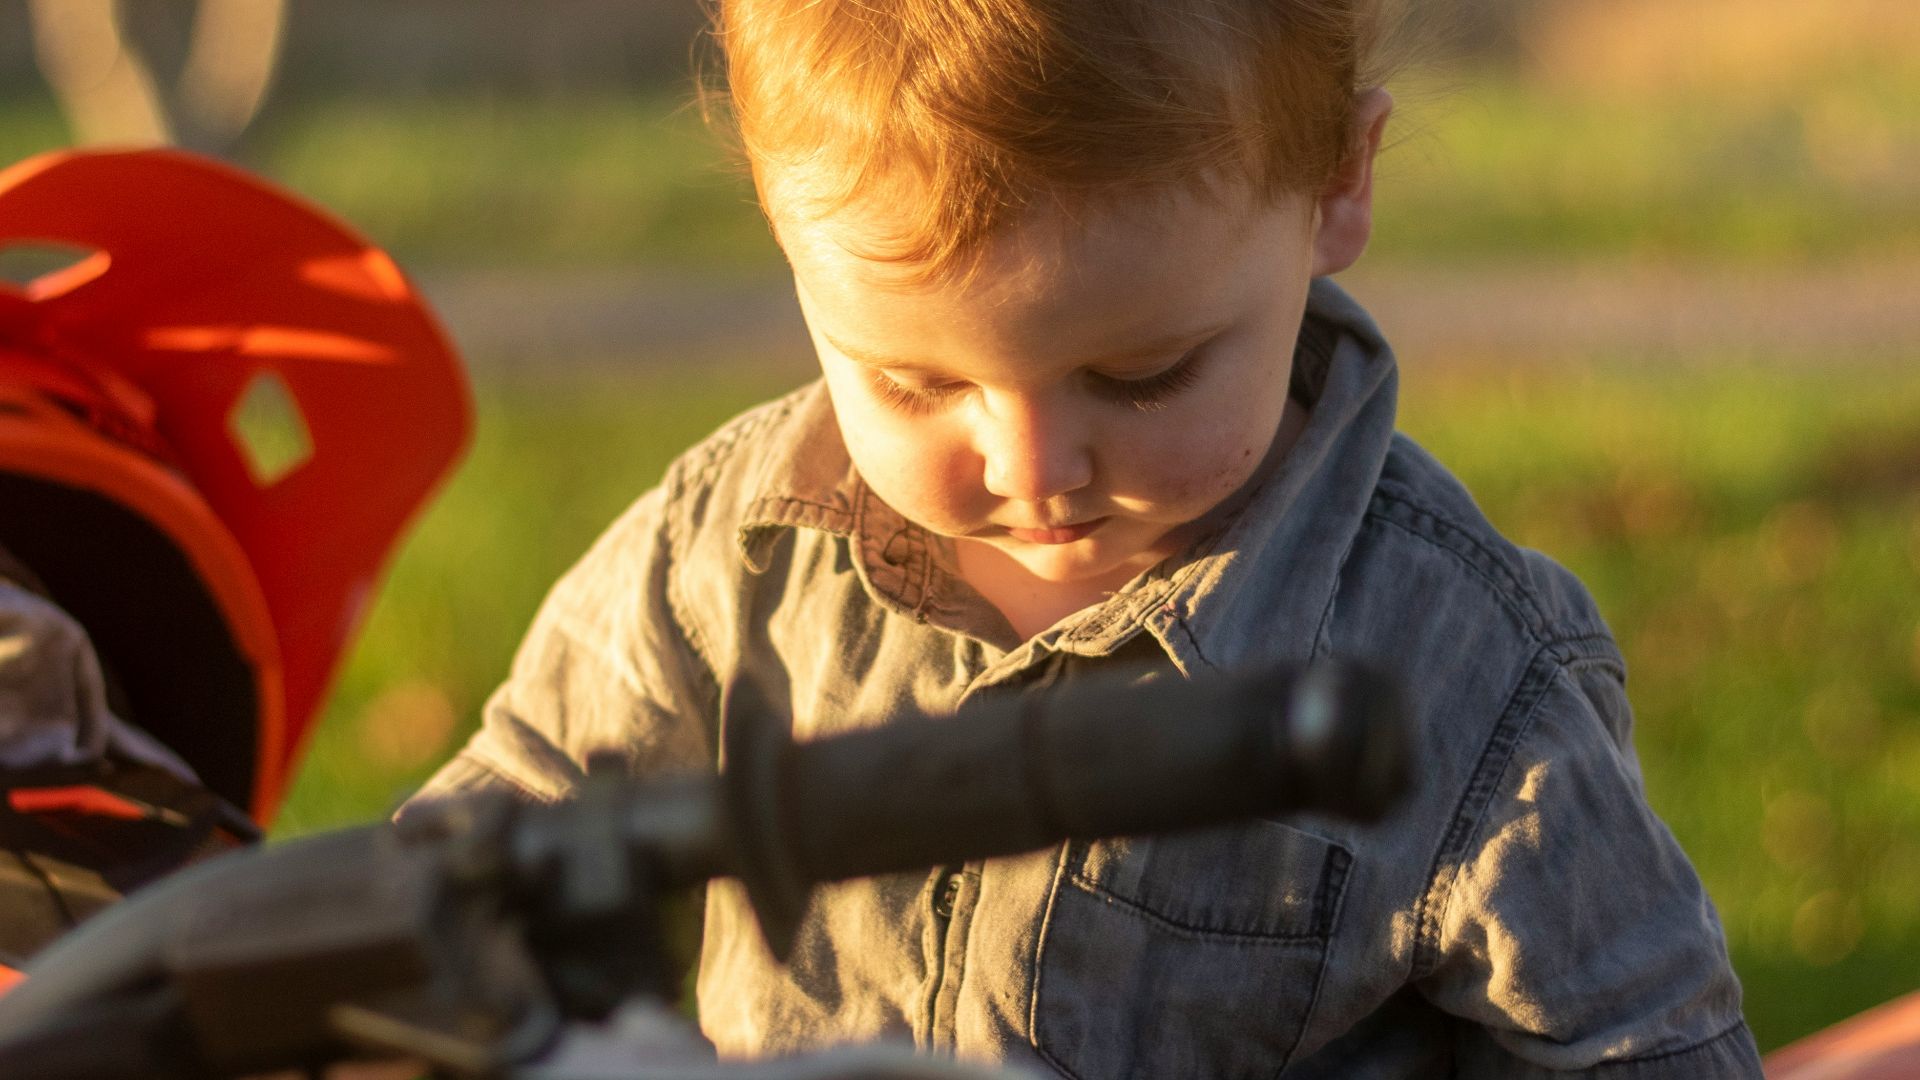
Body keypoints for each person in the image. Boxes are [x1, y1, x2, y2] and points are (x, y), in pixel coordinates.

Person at [408, 0, 1764, 1074]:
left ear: (1337, 185)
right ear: (782, 223)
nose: (1031, 467)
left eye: (1143, 374)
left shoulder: (1459, 680)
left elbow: (1640, 1043)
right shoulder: (726, 563)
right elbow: (485, 845)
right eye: (915, 382)